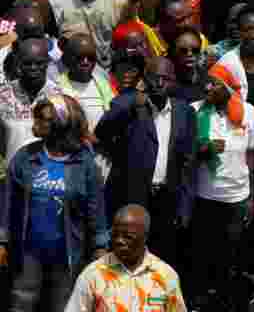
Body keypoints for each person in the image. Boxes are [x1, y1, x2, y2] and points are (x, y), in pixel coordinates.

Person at [2, 95, 107, 312]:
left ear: (63, 121)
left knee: (63, 305)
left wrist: (100, 245)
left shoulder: (83, 163)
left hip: (67, 254)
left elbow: (95, 207)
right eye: (37, 117)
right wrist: (2, 240)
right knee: (21, 302)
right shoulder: (25, 157)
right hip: (28, 251)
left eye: (45, 118)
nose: (37, 122)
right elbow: (7, 202)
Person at [93, 57, 196, 269]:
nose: (159, 83)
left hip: (166, 199)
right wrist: (131, 104)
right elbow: (101, 132)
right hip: (132, 197)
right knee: (126, 256)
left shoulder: (184, 112)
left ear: (173, 81)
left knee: (161, 259)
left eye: (165, 78)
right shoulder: (128, 103)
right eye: (154, 77)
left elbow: (187, 163)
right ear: (144, 79)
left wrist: (184, 206)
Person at [189, 63, 254, 311]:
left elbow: (253, 156)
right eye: (206, 82)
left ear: (228, 86)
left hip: (237, 198)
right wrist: (202, 149)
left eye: (215, 83)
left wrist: (252, 197)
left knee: (233, 257)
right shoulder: (194, 111)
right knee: (205, 255)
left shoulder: (247, 113)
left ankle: (232, 302)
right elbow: (182, 155)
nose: (208, 87)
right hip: (204, 197)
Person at [63, 204, 187, 311]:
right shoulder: (94, 274)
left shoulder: (165, 276)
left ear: (145, 237)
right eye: (115, 234)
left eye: (128, 236)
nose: (119, 241)